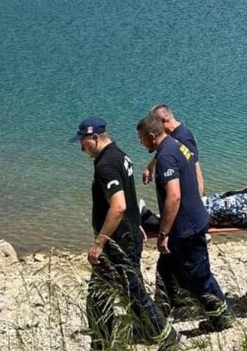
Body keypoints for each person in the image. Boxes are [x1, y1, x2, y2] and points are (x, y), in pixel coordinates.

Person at [69, 117, 178, 351]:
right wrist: (136, 224)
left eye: (83, 141)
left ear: (95, 138)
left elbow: (118, 205)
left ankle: (162, 337)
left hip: (116, 243)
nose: (81, 147)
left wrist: (99, 243)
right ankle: (113, 340)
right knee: (118, 294)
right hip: (129, 236)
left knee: (117, 295)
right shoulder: (120, 155)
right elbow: (131, 195)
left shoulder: (105, 165)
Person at [136, 114, 235, 331]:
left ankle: (223, 316)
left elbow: (174, 196)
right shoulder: (177, 145)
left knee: (199, 277)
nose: (140, 144)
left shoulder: (166, 157)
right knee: (165, 271)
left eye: (141, 139)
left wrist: (163, 234)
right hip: (193, 219)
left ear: (152, 137)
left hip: (185, 228)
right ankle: (156, 321)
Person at [143, 104, 204, 197]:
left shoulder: (184, 138)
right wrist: (150, 166)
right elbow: (163, 148)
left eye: (154, 124)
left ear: (163, 121)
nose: (153, 128)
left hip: (189, 195)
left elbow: (196, 168)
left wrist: (199, 200)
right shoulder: (170, 134)